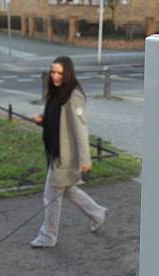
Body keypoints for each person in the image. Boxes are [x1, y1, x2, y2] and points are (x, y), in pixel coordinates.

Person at [29, 56, 108, 248]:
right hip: (55, 152)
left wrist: (85, 159)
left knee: (51, 195)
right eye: (53, 72)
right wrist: (43, 120)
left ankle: (48, 236)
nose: (55, 76)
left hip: (65, 158)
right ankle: (98, 213)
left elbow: (80, 129)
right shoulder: (56, 93)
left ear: (68, 74)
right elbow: (58, 123)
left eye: (60, 73)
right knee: (68, 190)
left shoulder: (74, 97)